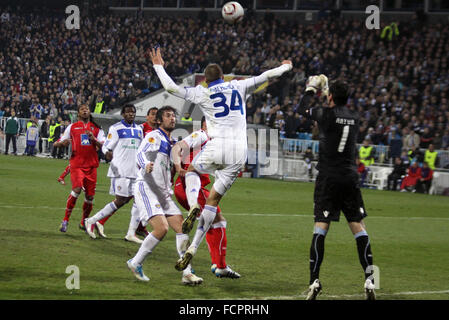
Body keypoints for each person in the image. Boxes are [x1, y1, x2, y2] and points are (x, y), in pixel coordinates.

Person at [148, 47, 293, 274]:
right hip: (239, 151)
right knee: (214, 201)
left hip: (217, 145)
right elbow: (268, 76)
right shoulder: (239, 85)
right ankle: (194, 247)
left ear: (205, 80)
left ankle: (194, 205)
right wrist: (286, 66)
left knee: (193, 170)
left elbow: (170, 87)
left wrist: (159, 65)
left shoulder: (201, 92)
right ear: (224, 76)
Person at [297, 75, 376, 300]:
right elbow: (338, 112)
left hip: (328, 179)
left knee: (320, 228)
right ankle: (370, 279)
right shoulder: (355, 117)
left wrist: (312, 88)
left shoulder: (325, 114)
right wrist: (328, 94)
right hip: (350, 178)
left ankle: (314, 281)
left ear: (330, 96)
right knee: (359, 228)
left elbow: (301, 108)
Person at [126, 106, 203, 285]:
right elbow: (140, 153)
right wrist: (145, 164)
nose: (172, 119)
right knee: (161, 228)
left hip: (163, 193)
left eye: (174, 116)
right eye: (168, 116)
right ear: (160, 120)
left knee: (182, 228)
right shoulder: (154, 137)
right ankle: (135, 262)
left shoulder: (173, 142)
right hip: (147, 188)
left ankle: (187, 272)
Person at [171, 117, 240, 278]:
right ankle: (218, 264)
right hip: (191, 186)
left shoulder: (215, 143)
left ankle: (217, 264)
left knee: (213, 221)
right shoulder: (201, 135)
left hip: (187, 187)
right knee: (218, 220)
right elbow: (178, 147)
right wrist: (178, 167)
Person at [84, 104, 145, 243]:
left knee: (138, 199)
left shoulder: (139, 129)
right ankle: (92, 220)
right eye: (128, 112)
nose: (131, 114)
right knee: (120, 200)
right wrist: (107, 153)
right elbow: (106, 145)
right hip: (120, 170)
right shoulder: (116, 128)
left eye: (133, 112)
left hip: (135, 171)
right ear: (123, 114)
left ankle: (131, 233)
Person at [54, 104, 105, 232]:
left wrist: (93, 139)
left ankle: (84, 222)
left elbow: (104, 146)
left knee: (90, 197)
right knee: (76, 189)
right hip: (77, 165)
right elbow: (57, 143)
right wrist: (61, 144)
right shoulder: (72, 127)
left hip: (91, 166)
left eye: (87, 109)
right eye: (82, 109)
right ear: (78, 113)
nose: (85, 111)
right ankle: (65, 221)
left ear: (90, 112)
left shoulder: (97, 128)